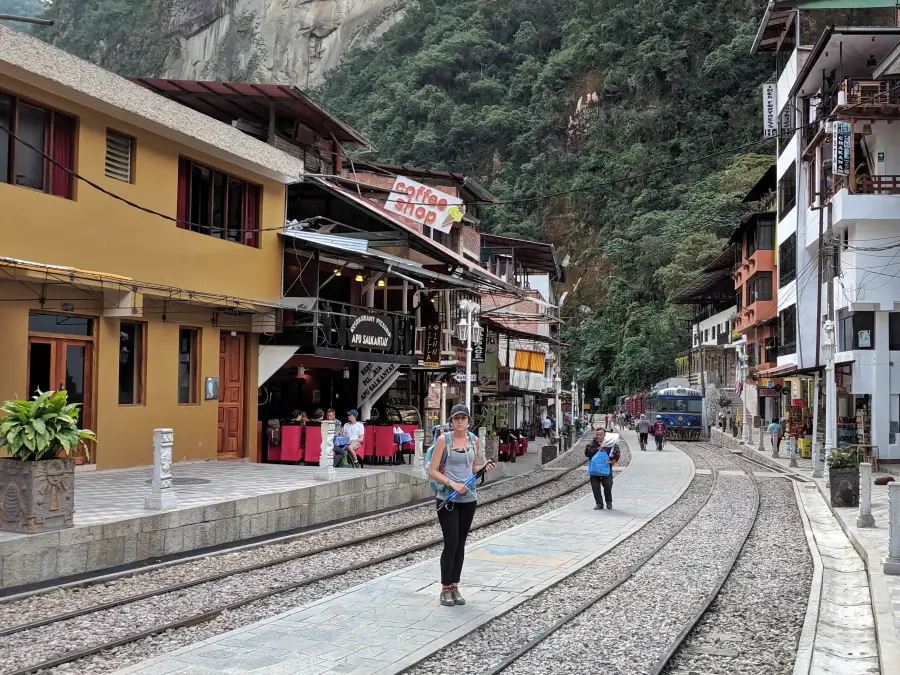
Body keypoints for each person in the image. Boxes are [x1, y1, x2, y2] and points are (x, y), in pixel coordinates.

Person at [428, 404, 495, 607]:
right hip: (448, 498)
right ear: (451, 421)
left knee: (461, 544)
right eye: (456, 418)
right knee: (451, 543)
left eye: (463, 418)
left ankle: (455, 586)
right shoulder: (443, 440)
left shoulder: (474, 440)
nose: (459, 422)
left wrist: (483, 469)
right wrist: (452, 483)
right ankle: (445, 587)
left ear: (468, 421)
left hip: (468, 498)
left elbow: (471, 468)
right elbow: (433, 470)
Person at [585, 427, 621, 510]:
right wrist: (598, 449)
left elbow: (616, 455)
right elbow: (587, 453)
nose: (598, 436)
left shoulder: (611, 443)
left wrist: (608, 462)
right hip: (594, 469)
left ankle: (609, 502)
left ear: (604, 435)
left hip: (606, 468)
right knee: (595, 486)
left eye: (600, 434)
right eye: (597, 434)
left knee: (608, 485)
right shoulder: (592, 444)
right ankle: (599, 504)